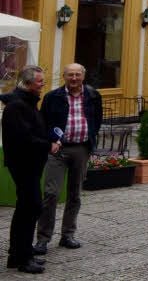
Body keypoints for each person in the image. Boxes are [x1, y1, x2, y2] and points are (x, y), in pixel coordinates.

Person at [35, 63, 102, 255]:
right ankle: (43, 238)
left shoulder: (93, 95)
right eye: (70, 75)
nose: (74, 79)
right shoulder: (52, 97)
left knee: (75, 194)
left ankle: (67, 235)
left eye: (77, 75)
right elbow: (43, 121)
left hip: (81, 148)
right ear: (64, 76)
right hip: (58, 150)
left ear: (83, 76)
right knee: (51, 194)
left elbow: (97, 120)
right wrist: (51, 140)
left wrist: (90, 139)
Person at [3, 66, 59, 274]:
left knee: (28, 208)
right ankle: (21, 258)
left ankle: (19, 254)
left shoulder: (27, 103)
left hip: (31, 163)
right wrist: (48, 145)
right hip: (23, 163)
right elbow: (24, 138)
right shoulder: (16, 106)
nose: (43, 84)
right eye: (39, 81)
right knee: (30, 207)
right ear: (27, 84)